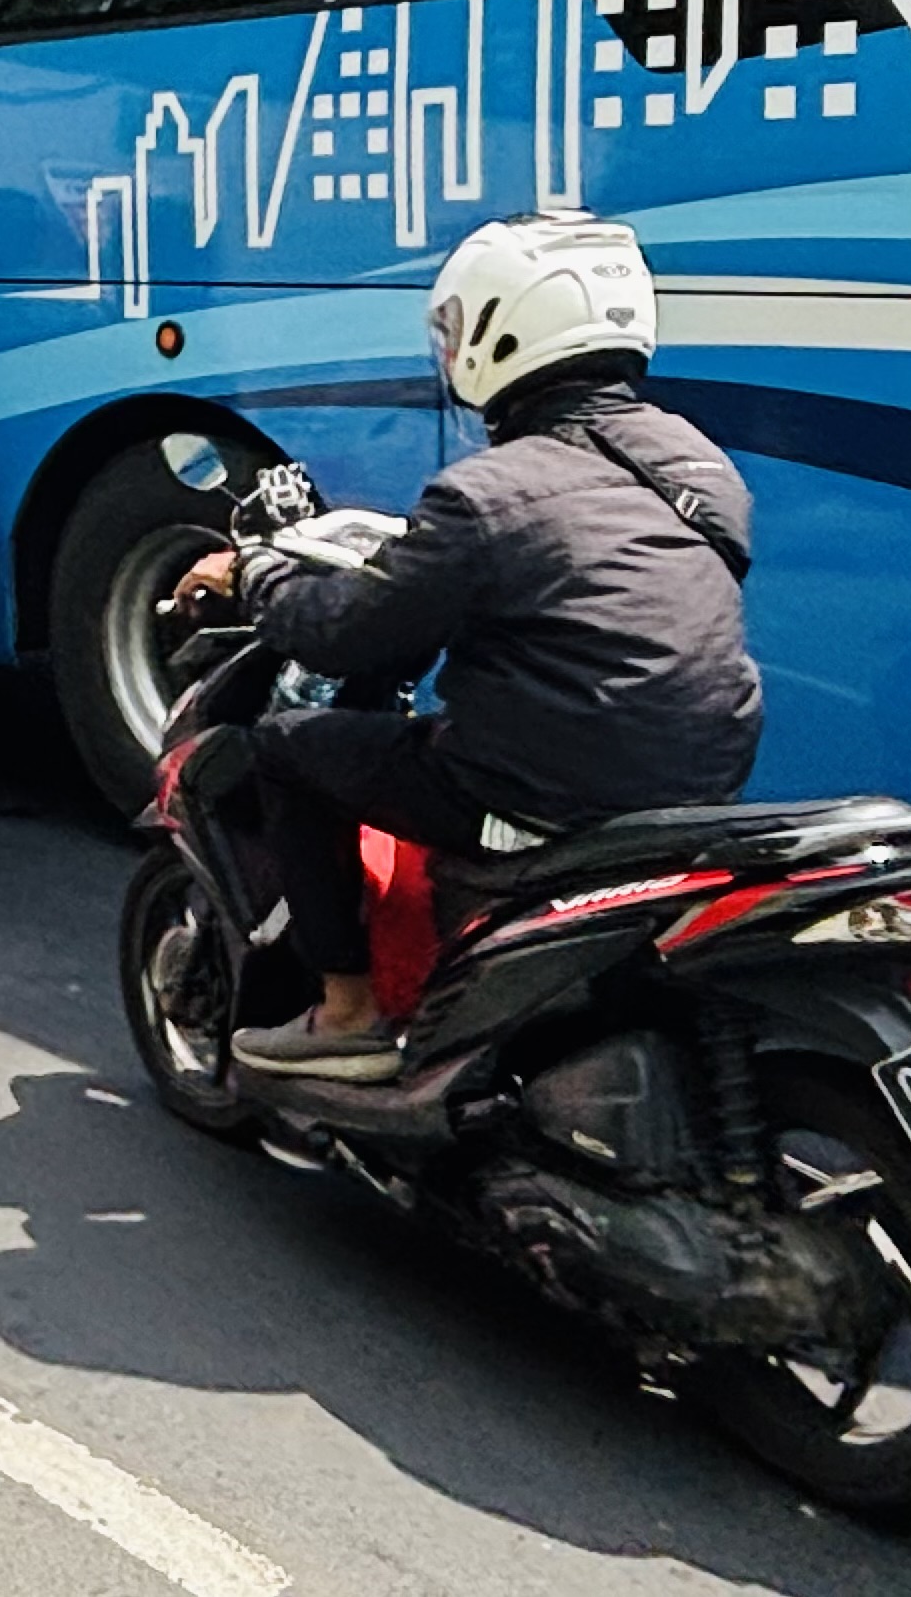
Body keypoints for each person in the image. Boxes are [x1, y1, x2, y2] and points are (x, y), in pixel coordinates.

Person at [182, 212, 762, 1082]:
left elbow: (343, 635)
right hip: (701, 784)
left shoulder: (487, 492)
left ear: (502, 329)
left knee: (288, 748)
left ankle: (347, 1014)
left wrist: (254, 575)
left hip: (544, 791)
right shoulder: (698, 468)